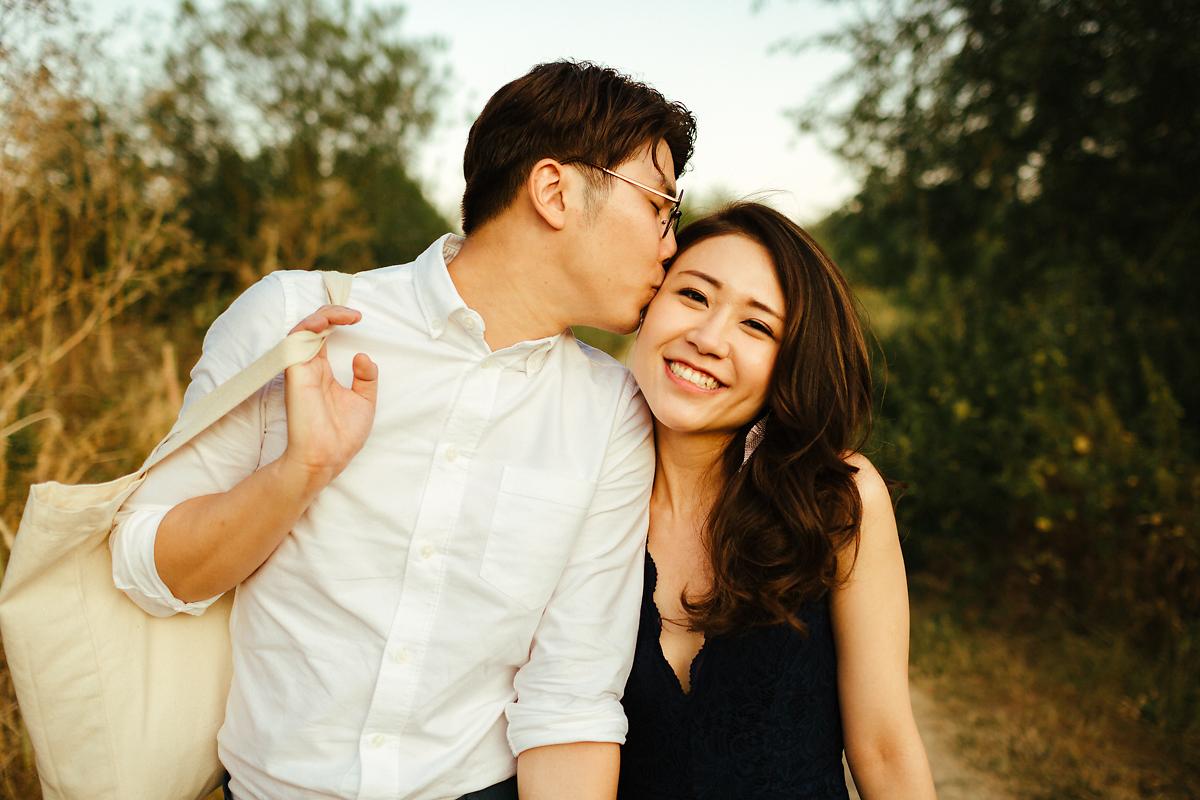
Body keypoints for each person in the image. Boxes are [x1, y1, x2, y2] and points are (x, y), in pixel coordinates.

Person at [109, 60, 696, 800]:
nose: (670, 245)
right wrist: (296, 475)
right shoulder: (293, 319)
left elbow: (569, 694)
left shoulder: (612, 411)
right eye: (661, 206)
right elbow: (144, 570)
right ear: (555, 191)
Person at [617, 203, 937, 799]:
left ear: (790, 364)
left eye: (757, 326)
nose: (708, 338)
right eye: (693, 295)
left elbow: (887, 748)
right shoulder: (575, 488)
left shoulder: (836, 501)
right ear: (647, 306)